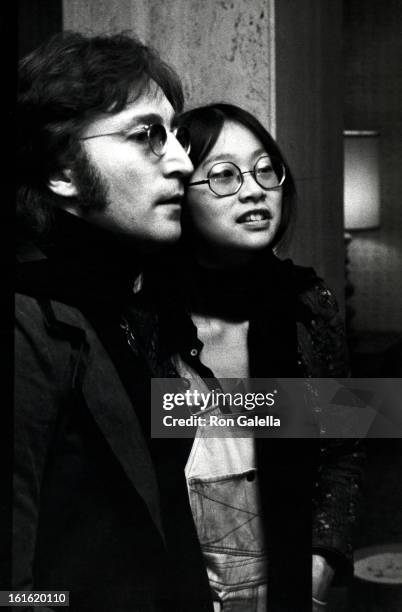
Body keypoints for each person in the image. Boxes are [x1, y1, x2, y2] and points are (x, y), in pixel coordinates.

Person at [14, 31, 215, 612]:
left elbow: (244, 413)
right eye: (149, 135)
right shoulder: (36, 316)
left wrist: (373, 408)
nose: (185, 165)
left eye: (267, 170)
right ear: (62, 172)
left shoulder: (130, 302)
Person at [146, 103, 364, 611]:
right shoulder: (145, 322)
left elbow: (345, 447)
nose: (254, 188)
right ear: (181, 192)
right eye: (224, 174)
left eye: (266, 168)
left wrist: (322, 564)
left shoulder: (311, 304)